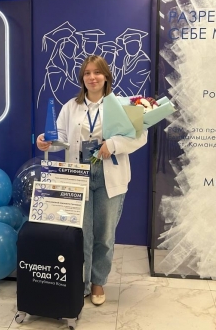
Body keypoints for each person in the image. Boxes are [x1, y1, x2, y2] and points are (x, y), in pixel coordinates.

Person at [36, 55, 147, 306]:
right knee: (81, 233)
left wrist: (114, 144)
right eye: (87, 73)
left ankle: (98, 281)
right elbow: (60, 136)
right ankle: (81, 282)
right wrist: (47, 141)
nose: (92, 77)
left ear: (106, 76)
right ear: (82, 78)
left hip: (109, 175)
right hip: (78, 175)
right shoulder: (71, 106)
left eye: (97, 72)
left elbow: (140, 136)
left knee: (104, 235)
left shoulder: (122, 104)